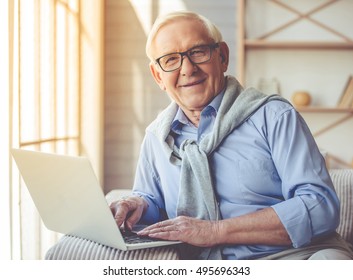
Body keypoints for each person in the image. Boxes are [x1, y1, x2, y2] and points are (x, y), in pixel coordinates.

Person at [110, 11, 353, 260]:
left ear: (223, 56)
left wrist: (215, 231)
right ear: (158, 76)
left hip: (294, 255)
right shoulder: (156, 137)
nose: (187, 69)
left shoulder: (275, 116)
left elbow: (320, 206)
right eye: (171, 60)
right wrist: (137, 205)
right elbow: (151, 199)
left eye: (198, 52)